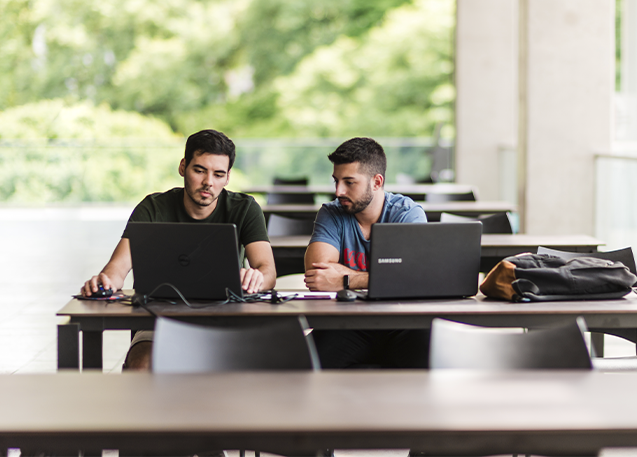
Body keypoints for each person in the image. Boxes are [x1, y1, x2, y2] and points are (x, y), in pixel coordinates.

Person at [81, 129, 276, 370]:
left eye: (218, 174)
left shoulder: (245, 208)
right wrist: (105, 282)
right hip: (159, 320)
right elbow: (118, 269)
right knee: (141, 364)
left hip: (226, 318)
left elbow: (267, 271)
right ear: (183, 167)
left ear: (227, 178)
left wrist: (257, 277)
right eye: (199, 170)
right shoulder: (153, 207)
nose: (208, 182)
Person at [304, 137, 429, 368]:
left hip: (403, 323)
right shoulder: (331, 213)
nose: (338, 191)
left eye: (349, 182)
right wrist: (385, 277)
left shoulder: (407, 214)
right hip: (348, 323)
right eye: (336, 181)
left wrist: (345, 278)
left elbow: (412, 279)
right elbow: (318, 275)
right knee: (309, 366)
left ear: (377, 182)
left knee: (430, 364)